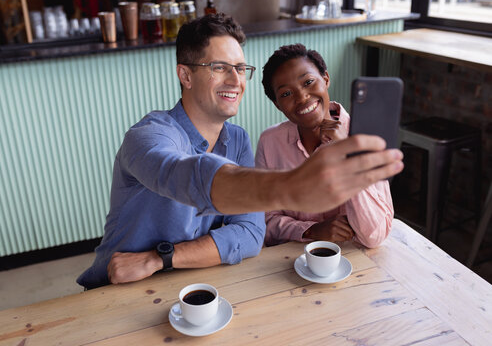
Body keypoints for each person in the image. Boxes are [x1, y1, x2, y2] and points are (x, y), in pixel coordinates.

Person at [77, 15, 403, 289]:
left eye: (240, 68)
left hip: (195, 282)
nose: (235, 80)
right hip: (118, 286)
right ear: (185, 75)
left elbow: (250, 234)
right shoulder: (147, 136)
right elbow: (182, 174)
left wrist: (160, 258)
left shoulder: (238, 140)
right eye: (220, 67)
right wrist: (290, 186)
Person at [256, 43, 394, 248]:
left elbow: (374, 235)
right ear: (277, 104)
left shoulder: (365, 137)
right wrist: (311, 230)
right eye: (286, 94)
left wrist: (348, 153)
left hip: (355, 260)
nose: (302, 97)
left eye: (309, 82)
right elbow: (263, 221)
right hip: (290, 261)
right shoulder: (270, 142)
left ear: (326, 79)